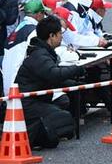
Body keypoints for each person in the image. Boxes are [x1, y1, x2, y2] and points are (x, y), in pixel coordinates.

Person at [15, 17, 86, 149]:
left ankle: (42, 129)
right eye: (60, 34)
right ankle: (30, 136)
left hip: (38, 99)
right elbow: (53, 75)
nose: (61, 37)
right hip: (27, 103)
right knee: (64, 120)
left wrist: (74, 83)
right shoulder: (39, 55)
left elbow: (53, 78)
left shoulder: (44, 52)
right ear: (51, 36)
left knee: (63, 105)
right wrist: (76, 69)